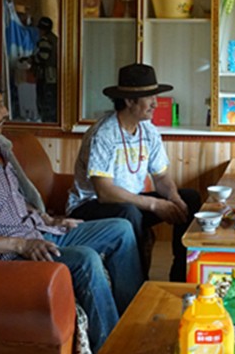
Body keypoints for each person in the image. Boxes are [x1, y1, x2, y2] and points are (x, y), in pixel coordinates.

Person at [0, 73, 143, 354]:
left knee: (121, 229)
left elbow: (13, 201)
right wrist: (21, 245)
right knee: (86, 259)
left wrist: (50, 219)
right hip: (13, 254)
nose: (6, 112)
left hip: (39, 231)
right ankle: (115, 349)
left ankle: (133, 321)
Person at [67, 63, 202, 282]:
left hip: (130, 202)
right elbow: (105, 192)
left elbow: (161, 176)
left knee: (190, 199)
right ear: (129, 101)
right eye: (149, 97)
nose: (156, 103)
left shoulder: (148, 130)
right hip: (89, 206)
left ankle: (180, 275)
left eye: (155, 96)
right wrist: (154, 204)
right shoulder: (103, 134)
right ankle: (136, 286)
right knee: (130, 212)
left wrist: (173, 197)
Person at [33, 16, 58, 122]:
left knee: (46, 102)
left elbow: (43, 57)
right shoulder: (54, 39)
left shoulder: (45, 40)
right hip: (54, 76)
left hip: (48, 76)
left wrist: (31, 60)